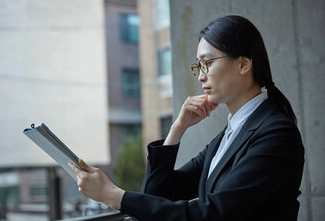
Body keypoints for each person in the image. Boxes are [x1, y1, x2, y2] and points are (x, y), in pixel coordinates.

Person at [68, 15, 304, 220]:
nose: (201, 77)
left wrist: (113, 195)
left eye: (208, 63)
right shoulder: (229, 136)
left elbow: (213, 214)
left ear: (243, 64)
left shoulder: (276, 134)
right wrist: (177, 129)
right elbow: (159, 194)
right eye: (198, 66)